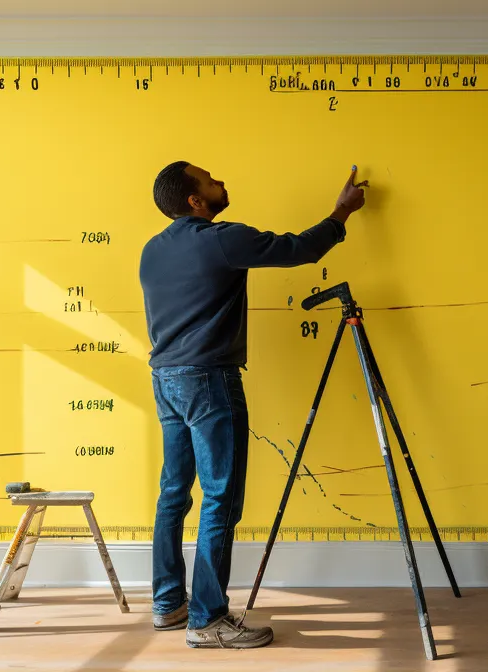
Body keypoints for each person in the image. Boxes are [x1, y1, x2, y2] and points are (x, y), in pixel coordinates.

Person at [137, 161, 368, 648]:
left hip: (165, 378)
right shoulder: (220, 239)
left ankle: (168, 605)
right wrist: (341, 212)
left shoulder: (151, 251)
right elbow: (298, 250)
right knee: (220, 498)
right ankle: (208, 620)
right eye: (210, 180)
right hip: (208, 381)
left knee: (173, 494)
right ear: (196, 201)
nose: (221, 181)